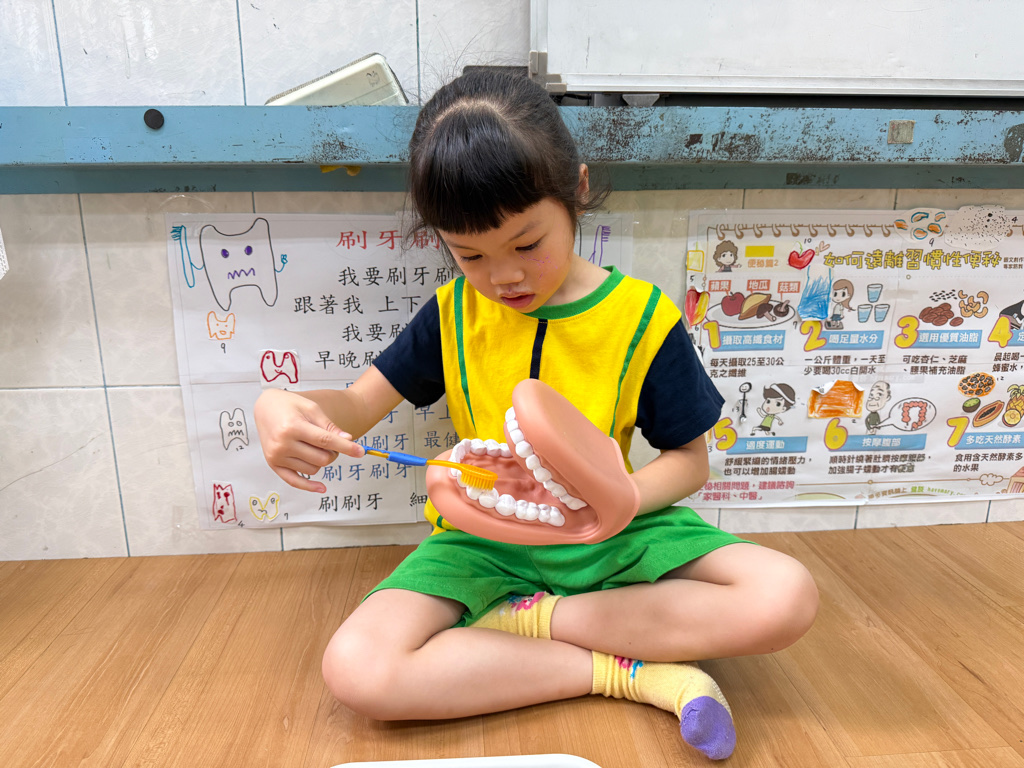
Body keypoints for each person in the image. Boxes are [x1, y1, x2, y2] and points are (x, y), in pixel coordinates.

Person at [253, 70, 818, 761]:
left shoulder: (642, 317)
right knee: (357, 669)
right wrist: (284, 405)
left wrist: (620, 498)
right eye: (469, 254)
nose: (504, 277)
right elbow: (356, 405)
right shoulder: (453, 314)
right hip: (484, 543)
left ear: (576, 189)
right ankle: (628, 671)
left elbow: (688, 461)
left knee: (785, 595)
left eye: (526, 244)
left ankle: (522, 625)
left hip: (617, 533)